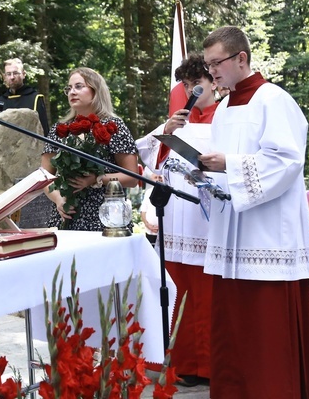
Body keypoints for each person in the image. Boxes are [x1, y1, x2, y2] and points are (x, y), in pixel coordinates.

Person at [197, 26, 309, 399]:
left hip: (268, 237)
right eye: (208, 66)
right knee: (233, 334)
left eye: (217, 63)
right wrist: (205, 172)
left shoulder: (274, 99)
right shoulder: (222, 108)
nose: (212, 73)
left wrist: (231, 165)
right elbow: (224, 167)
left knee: (267, 333)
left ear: (241, 58)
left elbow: (286, 161)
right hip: (231, 236)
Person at [136, 52, 218, 387]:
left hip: (209, 218)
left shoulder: (227, 116)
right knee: (179, 287)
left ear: (214, 81)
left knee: (209, 292)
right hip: (177, 219)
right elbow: (147, 159)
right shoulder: (177, 118)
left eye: (196, 82)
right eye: (185, 84)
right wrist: (165, 134)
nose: (190, 90)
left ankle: (213, 366)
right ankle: (183, 363)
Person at [41, 67, 139, 231]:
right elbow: (44, 175)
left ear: (96, 91)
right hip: (66, 218)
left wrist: (96, 179)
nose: (72, 92)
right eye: (69, 88)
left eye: (79, 86)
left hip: (105, 218)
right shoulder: (60, 129)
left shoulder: (114, 127)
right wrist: (59, 200)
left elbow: (132, 177)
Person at [0, 58, 49, 134]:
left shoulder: (35, 99)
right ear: (5, 77)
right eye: (8, 74)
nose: (12, 77)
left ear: (23, 74)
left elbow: (44, 131)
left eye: (15, 73)